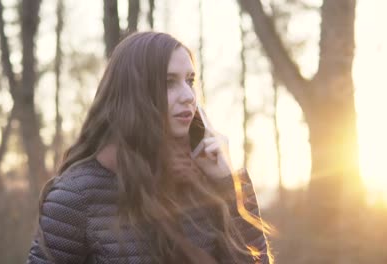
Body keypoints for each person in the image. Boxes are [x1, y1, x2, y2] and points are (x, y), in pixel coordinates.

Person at [27, 32, 272, 264]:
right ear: (134, 93)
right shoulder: (75, 197)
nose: (188, 95)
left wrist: (228, 183)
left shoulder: (205, 180)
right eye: (169, 82)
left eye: (190, 80)